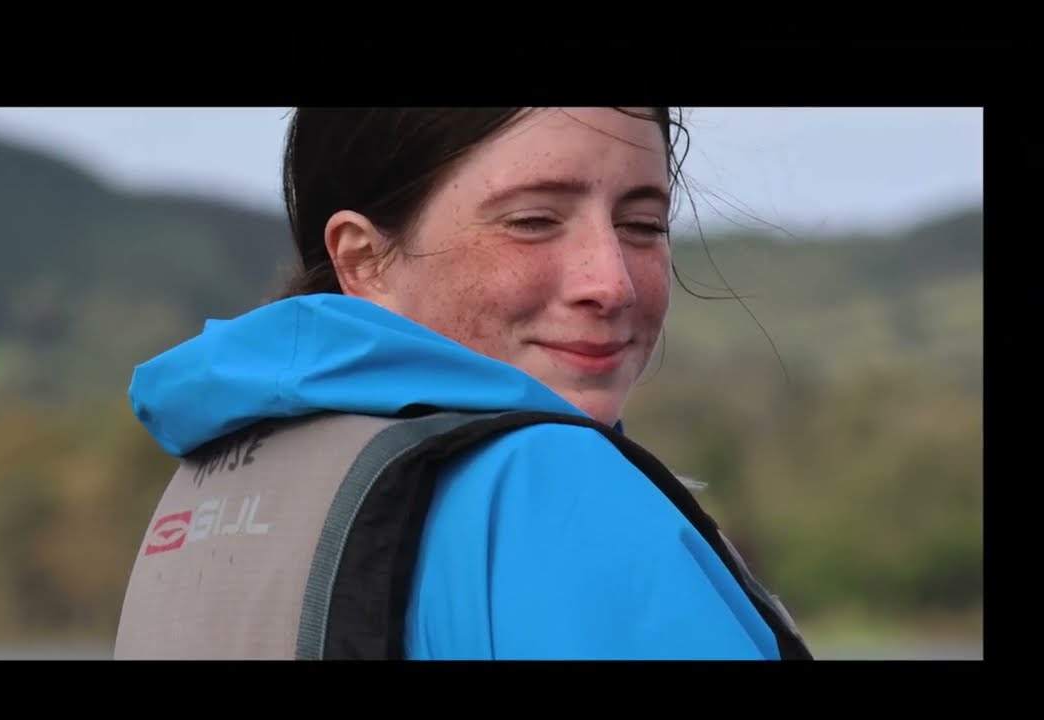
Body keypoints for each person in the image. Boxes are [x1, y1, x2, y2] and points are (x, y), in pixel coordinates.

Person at [112, 107, 812, 660]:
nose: (612, 281)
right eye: (533, 221)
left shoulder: (207, 497)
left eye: (641, 223)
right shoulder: (551, 482)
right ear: (365, 260)